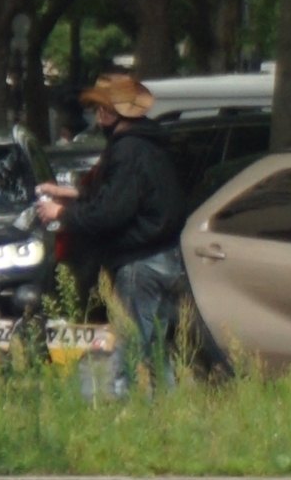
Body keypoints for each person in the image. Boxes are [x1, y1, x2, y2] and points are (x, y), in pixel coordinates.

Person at [37, 73, 185, 379]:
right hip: (163, 257)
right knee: (157, 350)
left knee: (130, 348)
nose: (98, 114)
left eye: (101, 108)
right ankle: (168, 412)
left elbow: (109, 213)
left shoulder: (127, 149)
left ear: (110, 112)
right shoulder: (149, 144)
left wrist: (60, 212)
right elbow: (128, 195)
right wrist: (74, 193)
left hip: (139, 262)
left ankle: (123, 412)